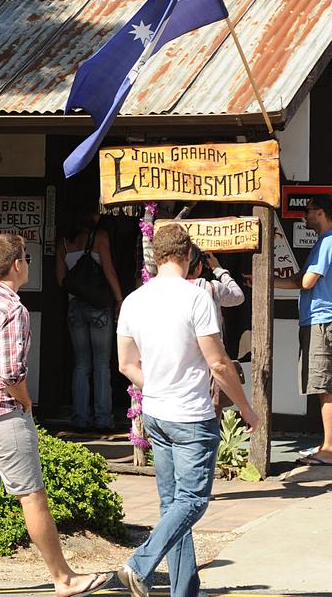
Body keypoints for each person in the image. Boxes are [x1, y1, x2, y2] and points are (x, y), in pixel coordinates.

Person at [0, 233, 112, 597]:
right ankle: (63, 579)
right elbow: (12, 373)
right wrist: (26, 401)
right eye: (27, 260)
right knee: (33, 498)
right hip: (4, 416)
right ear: (17, 264)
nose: (29, 265)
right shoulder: (12, 309)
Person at [116, 224, 258, 597]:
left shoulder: (133, 300)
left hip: (157, 413)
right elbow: (219, 364)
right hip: (192, 415)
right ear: (187, 255)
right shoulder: (197, 298)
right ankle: (139, 563)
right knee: (192, 502)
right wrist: (246, 408)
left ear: (157, 256)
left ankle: (185, 590)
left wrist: (157, 385)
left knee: (173, 506)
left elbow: (126, 364)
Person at [273, 193, 332, 467]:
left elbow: (307, 280)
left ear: (323, 213)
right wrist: (267, 281)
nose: (306, 216)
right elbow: (299, 281)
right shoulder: (323, 243)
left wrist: (287, 280)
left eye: (311, 211)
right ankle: (326, 446)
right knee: (319, 383)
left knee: (325, 384)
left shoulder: (330, 242)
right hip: (314, 320)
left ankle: (329, 449)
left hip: (322, 320)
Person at [56, 201, 124, 431]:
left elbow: (60, 280)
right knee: (102, 364)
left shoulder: (64, 242)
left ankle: (80, 417)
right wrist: (119, 299)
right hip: (98, 307)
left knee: (81, 363)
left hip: (75, 306)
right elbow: (109, 269)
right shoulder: (100, 236)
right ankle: (103, 418)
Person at [187, 244, 246, 416]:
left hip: (184, 360)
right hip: (210, 360)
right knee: (212, 411)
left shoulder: (168, 290)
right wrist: (219, 269)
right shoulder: (211, 288)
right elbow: (238, 296)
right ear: (199, 266)